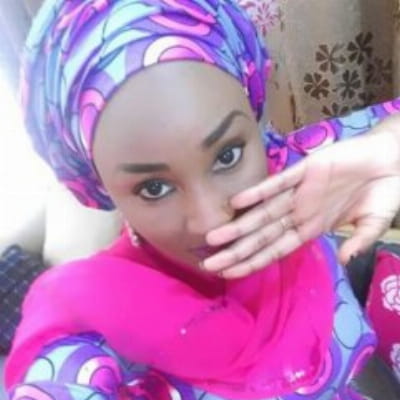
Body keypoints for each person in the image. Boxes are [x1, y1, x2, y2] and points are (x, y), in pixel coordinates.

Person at [4, 0, 400, 399]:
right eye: (154, 188)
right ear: (102, 186)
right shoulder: (96, 319)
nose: (212, 221)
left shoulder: (303, 177)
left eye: (227, 155)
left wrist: (391, 147)